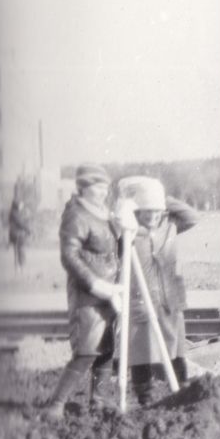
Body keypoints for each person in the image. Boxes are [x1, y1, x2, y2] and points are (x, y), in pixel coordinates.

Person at [43, 164, 129, 419]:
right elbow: (69, 256)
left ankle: (98, 402)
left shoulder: (104, 214)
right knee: (86, 351)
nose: (103, 191)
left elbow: (117, 246)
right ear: (84, 188)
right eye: (98, 186)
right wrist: (95, 284)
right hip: (88, 293)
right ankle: (56, 405)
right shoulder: (76, 215)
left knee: (106, 349)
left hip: (110, 290)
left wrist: (125, 226)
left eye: (105, 186)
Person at [118, 177, 200, 405]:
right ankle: (143, 393)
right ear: (137, 212)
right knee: (141, 347)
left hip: (170, 293)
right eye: (147, 212)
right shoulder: (129, 230)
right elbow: (115, 227)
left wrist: (164, 199)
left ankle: (181, 387)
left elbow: (193, 217)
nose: (153, 217)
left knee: (176, 344)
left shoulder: (170, 225)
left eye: (156, 212)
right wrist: (127, 203)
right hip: (140, 295)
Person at [8, 193, 33, 274]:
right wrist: (29, 230)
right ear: (17, 204)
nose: (22, 205)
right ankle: (21, 268)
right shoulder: (15, 213)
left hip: (14, 234)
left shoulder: (13, 212)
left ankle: (17, 268)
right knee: (21, 251)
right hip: (18, 235)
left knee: (17, 251)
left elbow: (21, 222)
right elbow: (20, 223)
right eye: (21, 204)